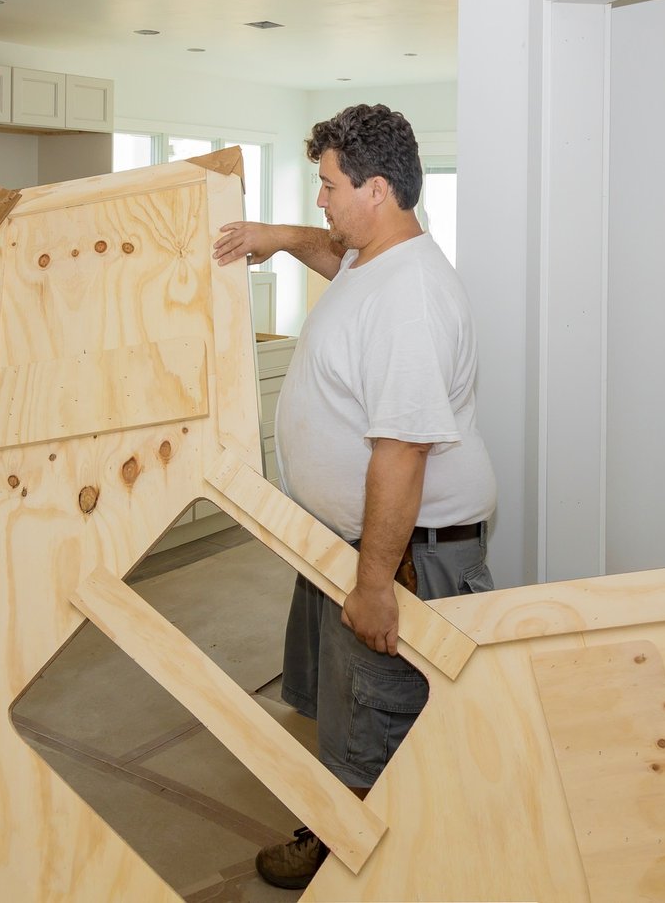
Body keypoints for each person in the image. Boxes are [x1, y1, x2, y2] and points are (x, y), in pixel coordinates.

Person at [212, 104, 497, 890]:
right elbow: (330, 252)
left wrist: (375, 583)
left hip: (400, 556)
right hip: (345, 541)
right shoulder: (377, 258)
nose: (321, 201)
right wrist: (274, 238)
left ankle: (376, 864)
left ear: (376, 189)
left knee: (383, 719)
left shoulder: (410, 298)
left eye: (329, 185)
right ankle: (337, 825)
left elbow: (400, 454)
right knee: (344, 711)